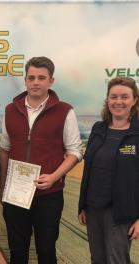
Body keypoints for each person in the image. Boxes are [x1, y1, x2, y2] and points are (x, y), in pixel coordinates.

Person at [0, 56, 83, 264]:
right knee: (17, 250)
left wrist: (54, 177)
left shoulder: (65, 111)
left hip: (49, 195)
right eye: (31, 77)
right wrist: (3, 187)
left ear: (51, 81)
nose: (35, 82)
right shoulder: (10, 110)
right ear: (25, 80)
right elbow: (5, 150)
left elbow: (75, 152)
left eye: (41, 78)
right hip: (16, 195)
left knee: (46, 249)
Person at [78, 77, 139, 264]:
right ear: (107, 100)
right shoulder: (98, 129)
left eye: (124, 97)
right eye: (113, 97)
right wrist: (83, 205)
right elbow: (89, 169)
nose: (118, 102)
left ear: (135, 100)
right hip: (93, 208)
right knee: (97, 259)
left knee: (117, 260)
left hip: (121, 212)